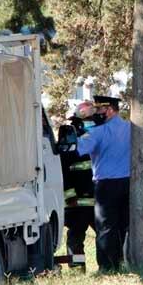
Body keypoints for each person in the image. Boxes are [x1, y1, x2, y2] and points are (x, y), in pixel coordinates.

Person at [75, 95, 130, 272]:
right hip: (128, 184)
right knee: (123, 225)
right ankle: (122, 261)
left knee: (106, 227)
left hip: (106, 185)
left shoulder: (97, 132)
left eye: (99, 110)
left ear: (110, 110)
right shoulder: (131, 128)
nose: (96, 113)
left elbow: (77, 149)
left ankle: (107, 266)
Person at [59, 102, 98, 269]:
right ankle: (76, 269)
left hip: (99, 201)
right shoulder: (70, 143)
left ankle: (110, 267)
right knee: (76, 237)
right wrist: (70, 196)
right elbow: (64, 173)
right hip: (78, 202)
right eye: (87, 120)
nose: (90, 123)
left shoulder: (101, 139)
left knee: (108, 236)